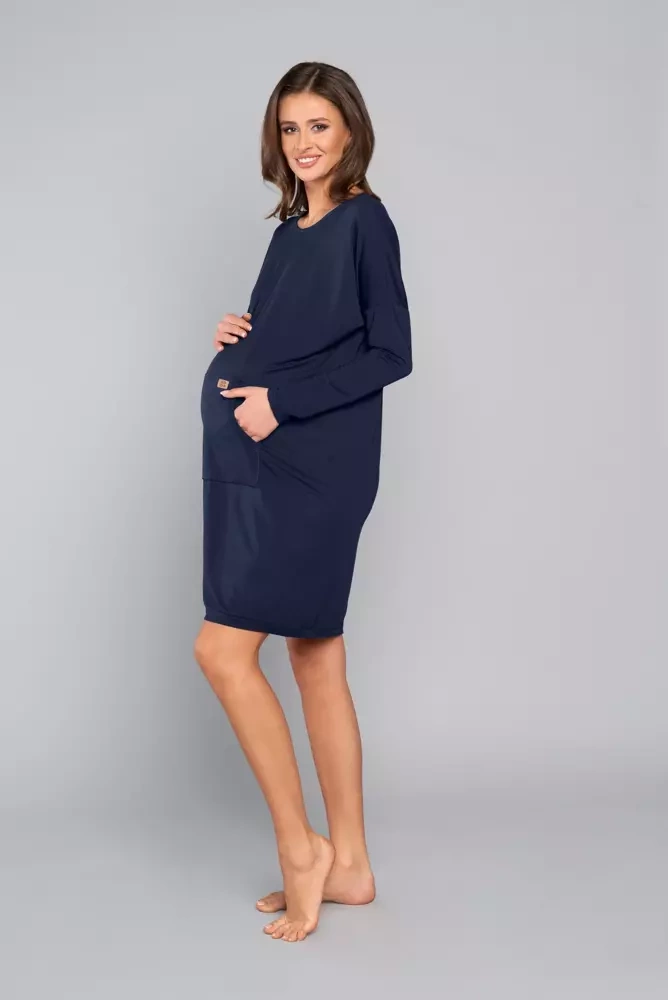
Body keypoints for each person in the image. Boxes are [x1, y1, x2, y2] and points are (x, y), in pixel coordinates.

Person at [193, 61, 413, 943]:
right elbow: (292, 333)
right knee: (316, 656)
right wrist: (238, 336)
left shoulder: (366, 222)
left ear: (351, 129)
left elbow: (390, 352)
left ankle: (301, 850)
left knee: (222, 651)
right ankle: (351, 864)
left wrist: (280, 402)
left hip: (316, 465)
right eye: (290, 128)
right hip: (259, 460)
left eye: (319, 125)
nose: (304, 143)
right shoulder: (291, 230)